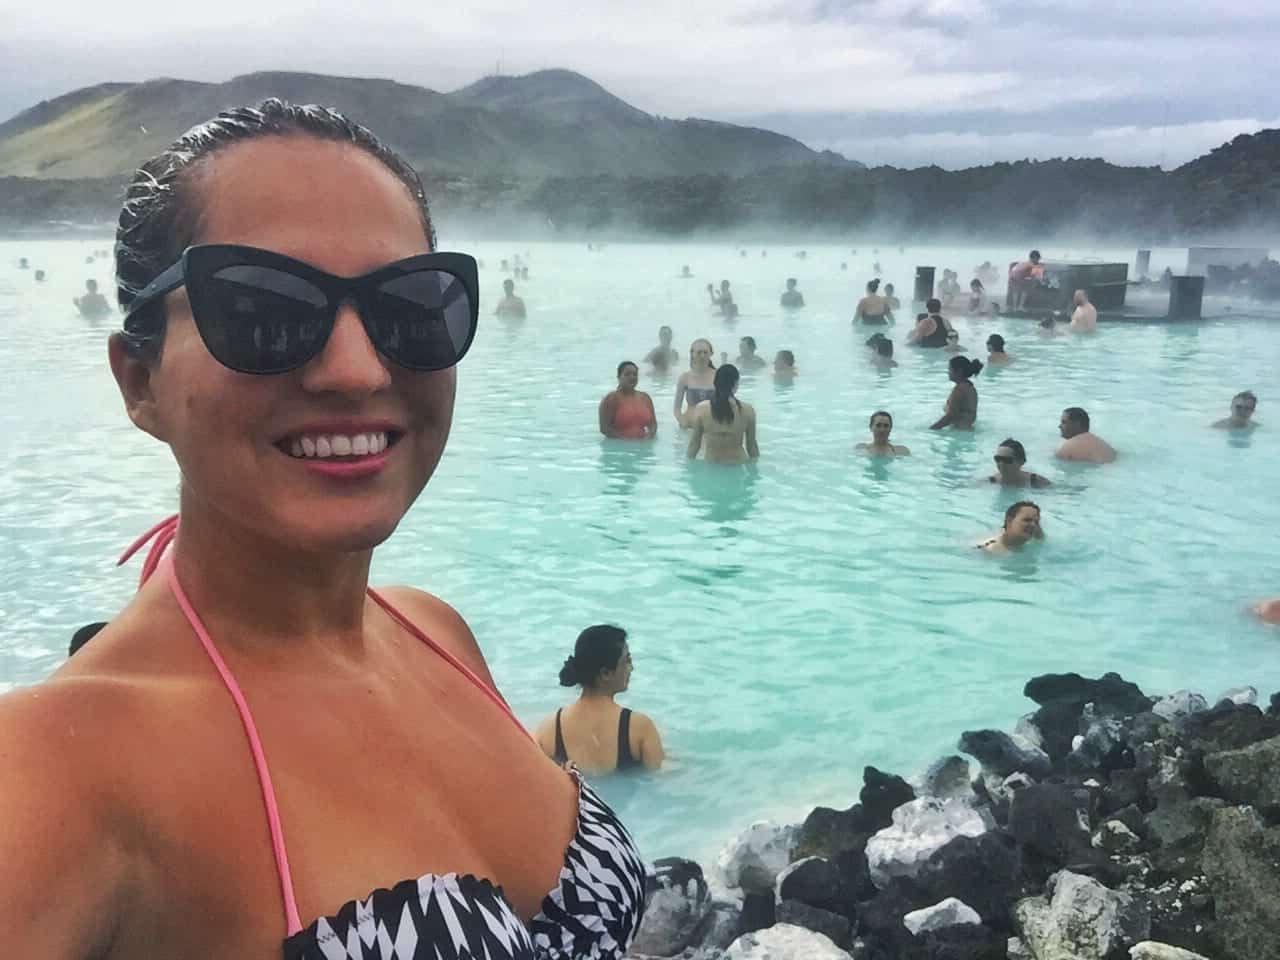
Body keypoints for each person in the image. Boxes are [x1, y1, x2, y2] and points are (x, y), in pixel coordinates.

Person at [0, 99, 644, 960]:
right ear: (138, 381)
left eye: (412, 307)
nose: (357, 369)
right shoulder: (51, 773)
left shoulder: (435, 630)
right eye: (265, 311)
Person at [535, 625, 664, 774]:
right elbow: (659, 781)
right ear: (605, 674)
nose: (631, 668)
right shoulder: (640, 728)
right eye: (627, 661)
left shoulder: (548, 729)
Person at [687, 364, 758, 463]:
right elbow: (752, 447)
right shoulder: (748, 411)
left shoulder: (701, 409)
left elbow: (694, 445)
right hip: (737, 467)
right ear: (736, 384)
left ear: (715, 383)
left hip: (712, 467)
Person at [600, 361, 658, 440]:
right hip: (620, 448)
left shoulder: (645, 398)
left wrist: (648, 437)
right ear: (619, 377)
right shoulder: (611, 399)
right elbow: (604, 429)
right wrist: (627, 442)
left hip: (643, 445)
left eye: (635, 374)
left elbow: (653, 425)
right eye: (627, 374)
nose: (632, 377)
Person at [931, 355, 983, 430]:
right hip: (967, 430)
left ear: (959, 371)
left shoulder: (960, 389)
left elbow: (951, 416)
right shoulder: (970, 387)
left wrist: (932, 429)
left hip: (959, 431)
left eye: (950, 369)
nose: (948, 372)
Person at [674, 337, 717, 427]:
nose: (702, 356)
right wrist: (682, 421)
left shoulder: (718, 376)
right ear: (692, 354)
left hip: (711, 428)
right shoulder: (685, 377)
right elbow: (677, 409)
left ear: (711, 354)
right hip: (689, 426)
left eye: (705, 352)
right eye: (699, 352)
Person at [979, 501, 1044, 553]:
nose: (1033, 525)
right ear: (1009, 521)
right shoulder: (992, 550)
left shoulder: (1031, 539)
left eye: (1036, 522)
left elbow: (1040, 537)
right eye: (1026, 520)